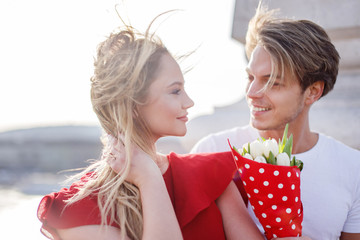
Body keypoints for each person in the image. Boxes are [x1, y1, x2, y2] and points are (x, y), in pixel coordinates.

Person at [36, 12, 264, 240]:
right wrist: (149, 178)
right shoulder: (78, 208)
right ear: (133, 104)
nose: (189, 102)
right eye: (175, 91)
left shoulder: (210, 175)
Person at [191, 3, 360, 240]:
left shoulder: (353, 168)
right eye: (250, 77)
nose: (252, 92)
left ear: (312, 92)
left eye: (272, 83)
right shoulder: (211, 150)